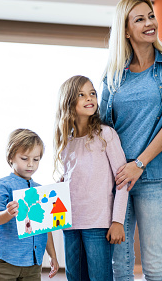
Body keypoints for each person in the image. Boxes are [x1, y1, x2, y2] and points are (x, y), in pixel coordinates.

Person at [100, 0, 162, 281]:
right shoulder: (113, 75)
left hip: (152, 176)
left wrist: (138, 164)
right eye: (139, 19)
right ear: (126, 30)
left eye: (151, 16)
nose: (150, 23)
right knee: (120, 263)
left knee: (154, 263)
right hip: (118, 180)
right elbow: (102, 127)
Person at [53, 75, 129, 281]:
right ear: (69, 102)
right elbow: (73, 178)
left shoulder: (106, 134)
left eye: (92, 93)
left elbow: (123, 181)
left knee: (99, 278)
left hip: (98, 224)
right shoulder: (66, 142)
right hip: (69, 224)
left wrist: (117, 221)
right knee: (74, 277)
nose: (90, 98)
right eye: (81, 94)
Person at [0, 128, 59, 280]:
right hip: (7, 260)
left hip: (33, 262)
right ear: (11, 157)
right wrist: (8, 213)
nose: (31, 164)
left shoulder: (40, 190)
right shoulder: (2, 185)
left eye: (36, 159)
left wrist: (52, 255)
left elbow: (46, 227)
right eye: (24, 158)